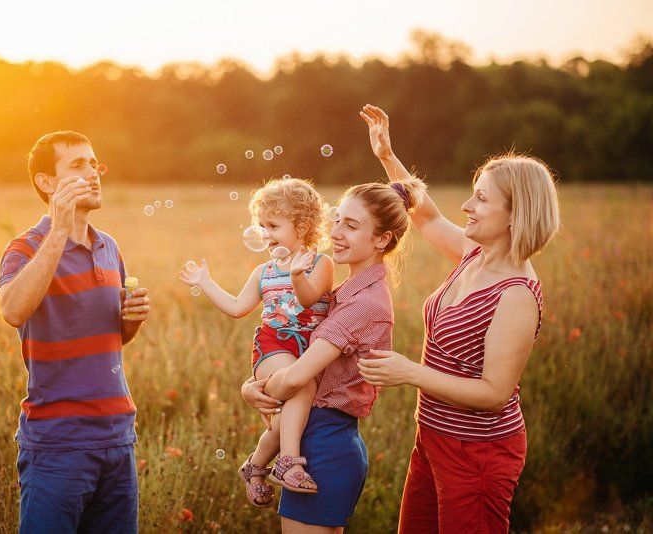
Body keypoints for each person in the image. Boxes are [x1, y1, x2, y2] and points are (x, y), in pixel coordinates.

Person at [356, 104, 560, 533]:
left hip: (478, 452)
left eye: (481, 198)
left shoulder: (516, 295)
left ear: (516, 213)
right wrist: (387, 157)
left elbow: (494, 394)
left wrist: (410, 372)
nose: (467, 205)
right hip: (432, 438)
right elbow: (425, 214)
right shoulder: (474, 254)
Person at [241, 176, 426, 532]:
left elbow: (296, 379)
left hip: (322, 446)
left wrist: (251, 391)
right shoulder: (345, 292)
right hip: (319, 442)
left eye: (352, 226)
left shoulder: (363, 304)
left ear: (382, 239)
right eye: (337, 219)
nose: (337, 232)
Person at [0, 131, 150, 534]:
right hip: (58, 444)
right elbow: (12, 310)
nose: (93, 173)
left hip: (118, 437)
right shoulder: (24, 248)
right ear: (47, 182)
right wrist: (59, 231)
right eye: (77, 165)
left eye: (94, 163)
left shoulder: (109, 246)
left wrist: (131, 320)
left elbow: (113, 337)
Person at [179, 177, 334, 506]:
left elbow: (308, 299)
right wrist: (205, 282)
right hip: (272, 345)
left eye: (273, 226)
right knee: (301, 384)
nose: (265, 234)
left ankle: (254, 467)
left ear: (302, 227)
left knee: (285, 419)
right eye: (261, 226)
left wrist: (297, 275)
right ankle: (289, 464)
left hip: (308, 346)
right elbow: (238, 308)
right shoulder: (263, 272)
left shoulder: (321, 264)